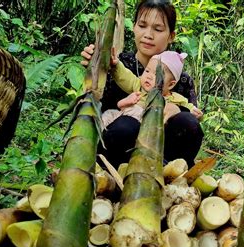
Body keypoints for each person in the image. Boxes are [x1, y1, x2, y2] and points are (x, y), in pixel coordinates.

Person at [81, 0, 203, 169]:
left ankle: (170, 176)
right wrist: (95, 67)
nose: (148, 35)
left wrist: (177, 110)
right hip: (117, 155)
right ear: (134, 27)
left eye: (158, 29)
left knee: (187, 122)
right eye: (142, 25)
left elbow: (191, 120)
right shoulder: (116, 64)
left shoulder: (181, 80)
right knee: (126, 126)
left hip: (163, 157)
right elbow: (96, 109)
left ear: (171, 36)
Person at [102, 50, 202, 127]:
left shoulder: (175, 99)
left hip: (145, 127)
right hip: (122, 117)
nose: (149, 76)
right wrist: (116, 66)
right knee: (107, 115)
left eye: (156, 74)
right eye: (147, 71)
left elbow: (189, 107)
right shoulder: (138, 85)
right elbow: (125, 77)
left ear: (171, 85)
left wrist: (195, 113)